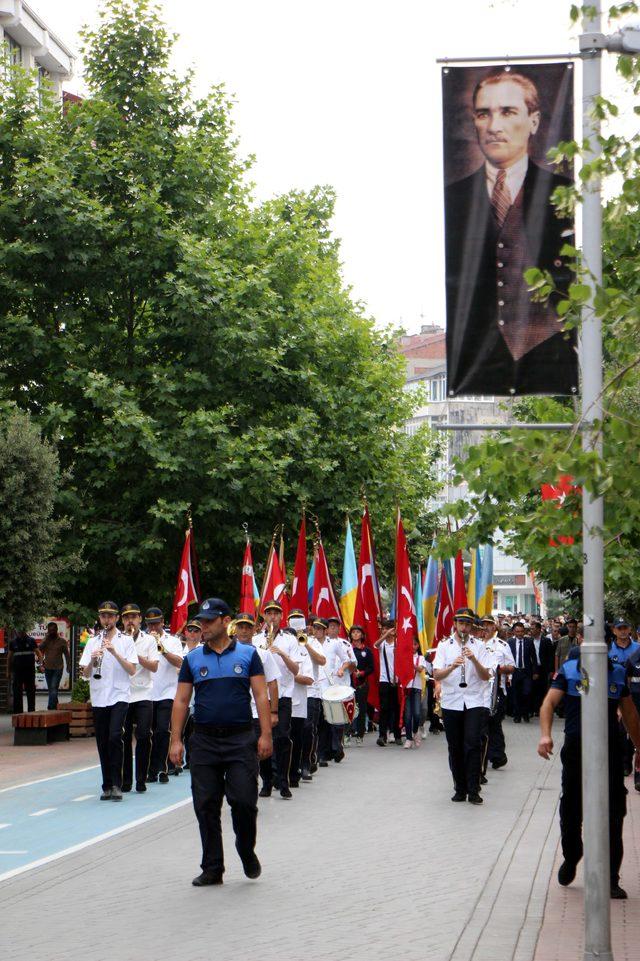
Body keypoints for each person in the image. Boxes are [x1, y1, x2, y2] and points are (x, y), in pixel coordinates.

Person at [444, 69, 575, 397]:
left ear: (534, 121)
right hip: (480, 360)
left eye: (508, 112)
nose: (494, 126)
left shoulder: (564, 195)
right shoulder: (455, 197)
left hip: (549, 355)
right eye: (483, 114)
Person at [169, 597, 272, 886]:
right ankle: (213, 867)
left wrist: (265, 735)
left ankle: (245, 848)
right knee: (206, 804)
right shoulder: (192, 659)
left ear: (226, 622)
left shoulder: (248, 655)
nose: (203, 626)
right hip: (204, 740)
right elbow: (181, 700)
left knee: (243, 802)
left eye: (209, 621)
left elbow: (261, 696)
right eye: (200, 621)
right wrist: (175, 740)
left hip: (240, 740)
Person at [538, 648, 640, 899]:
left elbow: (629, 714)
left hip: (610, 752)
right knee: (571, 810)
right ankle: (572, 856)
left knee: (615, 814)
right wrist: (545, 735)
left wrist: (639, 748)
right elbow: (549, 703)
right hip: (576, 750)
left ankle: (610, 879)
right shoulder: (570, 670)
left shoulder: (616, 673)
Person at [79, 601, 138, 801]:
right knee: (102, 740)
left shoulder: (126, 641)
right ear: (100, 618)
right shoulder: (93, 642)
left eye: (110, 616)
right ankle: (107, 784)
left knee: (115, 737)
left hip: (119, 695)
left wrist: (114, 652)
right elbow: (85, 674)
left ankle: (117, 783)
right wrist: (93, 661)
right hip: (99, 697)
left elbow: (132, 670)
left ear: (116, 618)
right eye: (103, 616)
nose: (106, 619)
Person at [433, 608, 492, 804]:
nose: (464, 628)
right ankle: (460, 788)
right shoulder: (444, 646)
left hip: (474, 701)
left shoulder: (480, 646)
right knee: (455, 747)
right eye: (461, 623)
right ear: (455, 624)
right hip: (451, 701)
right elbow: (436, 675)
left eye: (467, 624)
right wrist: (452, 667)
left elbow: (486, 676)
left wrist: (473, 659)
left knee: (472, 744)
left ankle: (474, 790)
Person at [252, 600, 300, 799]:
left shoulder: (290, 640)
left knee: (281, 738)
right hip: (261, 697)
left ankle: (283, 780)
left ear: (282, 617)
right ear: (264, 616)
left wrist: (281, 653)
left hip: (283, 695)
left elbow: (296, 670)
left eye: (276, 613)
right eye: (269, 613)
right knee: (262, 738)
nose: (272, 617)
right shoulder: (255, 640)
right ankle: (267, 780)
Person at [121, 603, 158, 793]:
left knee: (143, 734)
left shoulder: (149, 640)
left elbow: (154, 667)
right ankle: (125, 780)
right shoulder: (118, 640)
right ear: (122, 621)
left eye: (134, 617)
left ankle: (141, 778)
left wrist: (136, 656)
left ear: (140, 619)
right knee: (124, 737)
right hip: (124, 694)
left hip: (144, 693)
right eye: (127, 618)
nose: (130, 621)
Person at [146, 606, 183, 784]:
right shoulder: (142, 640)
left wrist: (163, 649)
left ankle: (161, 768)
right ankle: (149, 769)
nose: (153, 628)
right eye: (150, 624)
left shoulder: (173, 641)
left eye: (156, 624)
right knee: (147, 733)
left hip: (167, 693)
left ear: (162, 622)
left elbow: (180, 662)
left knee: (162, 731)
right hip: (146, 693)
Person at [480, 615, 515, 773]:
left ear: (495, 627)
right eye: (483, 624)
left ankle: (498, 755)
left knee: (494, 722)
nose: (486, 627)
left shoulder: (502, 645)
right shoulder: (475, 644)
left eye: (489, 624)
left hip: (496, 689)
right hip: (479, 690)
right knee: (482, 724)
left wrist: (499, 669)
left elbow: (512, 667)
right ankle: (486, 754)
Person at [300, 615, 328, 779]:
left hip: (312, 691)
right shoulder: (292, 640)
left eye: (317, 628)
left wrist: (307, 645)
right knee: (296, 729)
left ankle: (306, 763)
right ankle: (297, 762)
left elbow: (322, 660)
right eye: (312, 626)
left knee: (308, 728)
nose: (314, 629)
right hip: (295, 691)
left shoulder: (316, 643)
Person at [374, 623, 402, 746]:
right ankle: (382, 735)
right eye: (384, 630)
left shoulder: (398, 643)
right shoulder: (382, 644)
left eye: (388, 629)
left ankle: (397, 735)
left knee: (396, 708)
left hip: (397, 680)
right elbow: (376, 644)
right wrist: (385, 634)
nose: (385, 631)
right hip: (384, 680)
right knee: (384, 708)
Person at [349, 625, 374, 742]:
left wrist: (362, 673)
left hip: (362, 684)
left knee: (361, 708)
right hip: (349, 684)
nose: (355, 634)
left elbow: (371, 667)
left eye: (357, 632)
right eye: (353, 632)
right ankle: (347, 733)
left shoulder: (366, 650)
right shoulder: (347, 648)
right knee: (349, 708)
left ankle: (360, 733)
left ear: (362, 635)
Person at [39, 622, 70, 710]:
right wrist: (45, 639)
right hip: (47, 668)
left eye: (53, 630)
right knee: (52, 690)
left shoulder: (62, 641)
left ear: (56, 630)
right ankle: (56, 706)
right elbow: (39, 649)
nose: (51, 632)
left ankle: (51, 707)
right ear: (48, 631)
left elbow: (67, 655)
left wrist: (68, 665)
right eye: (50, 630)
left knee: (53, 688)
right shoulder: (46, 640)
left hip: (58, 668)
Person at [508, 622, 535, 722]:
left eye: (521, 631)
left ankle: (525, 712)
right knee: (515, 694)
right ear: (514, 632)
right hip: (514, 671)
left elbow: (534, 657)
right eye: (517, 631)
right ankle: (517, 715)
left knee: (526, 692)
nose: (520, 634)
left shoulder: (529, 641)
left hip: (526, 672)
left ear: (524, 631)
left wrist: (535, 671)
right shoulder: (509, 642)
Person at [403, 636, 427, 749]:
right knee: (407, 715)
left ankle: (415, 731)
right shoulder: (403, 656)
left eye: (415, 644)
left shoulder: (420, 658)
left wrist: (410, 663)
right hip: (406, 688)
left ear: (418, 646)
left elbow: (420, 669)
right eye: (411, 644)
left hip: (416, 688)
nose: (413, 646)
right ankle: (408, 738)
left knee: (417, 713)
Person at [8, 629, 38, 714]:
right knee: (17, 693)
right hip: (17, 672)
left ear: (25, 631)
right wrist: (8, 671)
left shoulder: (31, 640)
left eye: (22, 631)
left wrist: (41, 664)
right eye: (18, 631)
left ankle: (31, 712)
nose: (20, 633)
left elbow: (38, 652)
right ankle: (18, 713)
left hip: (29, 672)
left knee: (31, 692)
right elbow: (9, 658)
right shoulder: (13, 642)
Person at [530, 619, 554, 716]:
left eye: (533, 629)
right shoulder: (529, 641)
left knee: (543, 689)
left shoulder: (546, 641)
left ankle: (541, 709)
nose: (531, 631)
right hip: (532, 668)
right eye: (530, 629)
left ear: (539, 630)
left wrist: (551, 670)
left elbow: (551, 656)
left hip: (543, 668)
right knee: (532, 688)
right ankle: (533, 708)